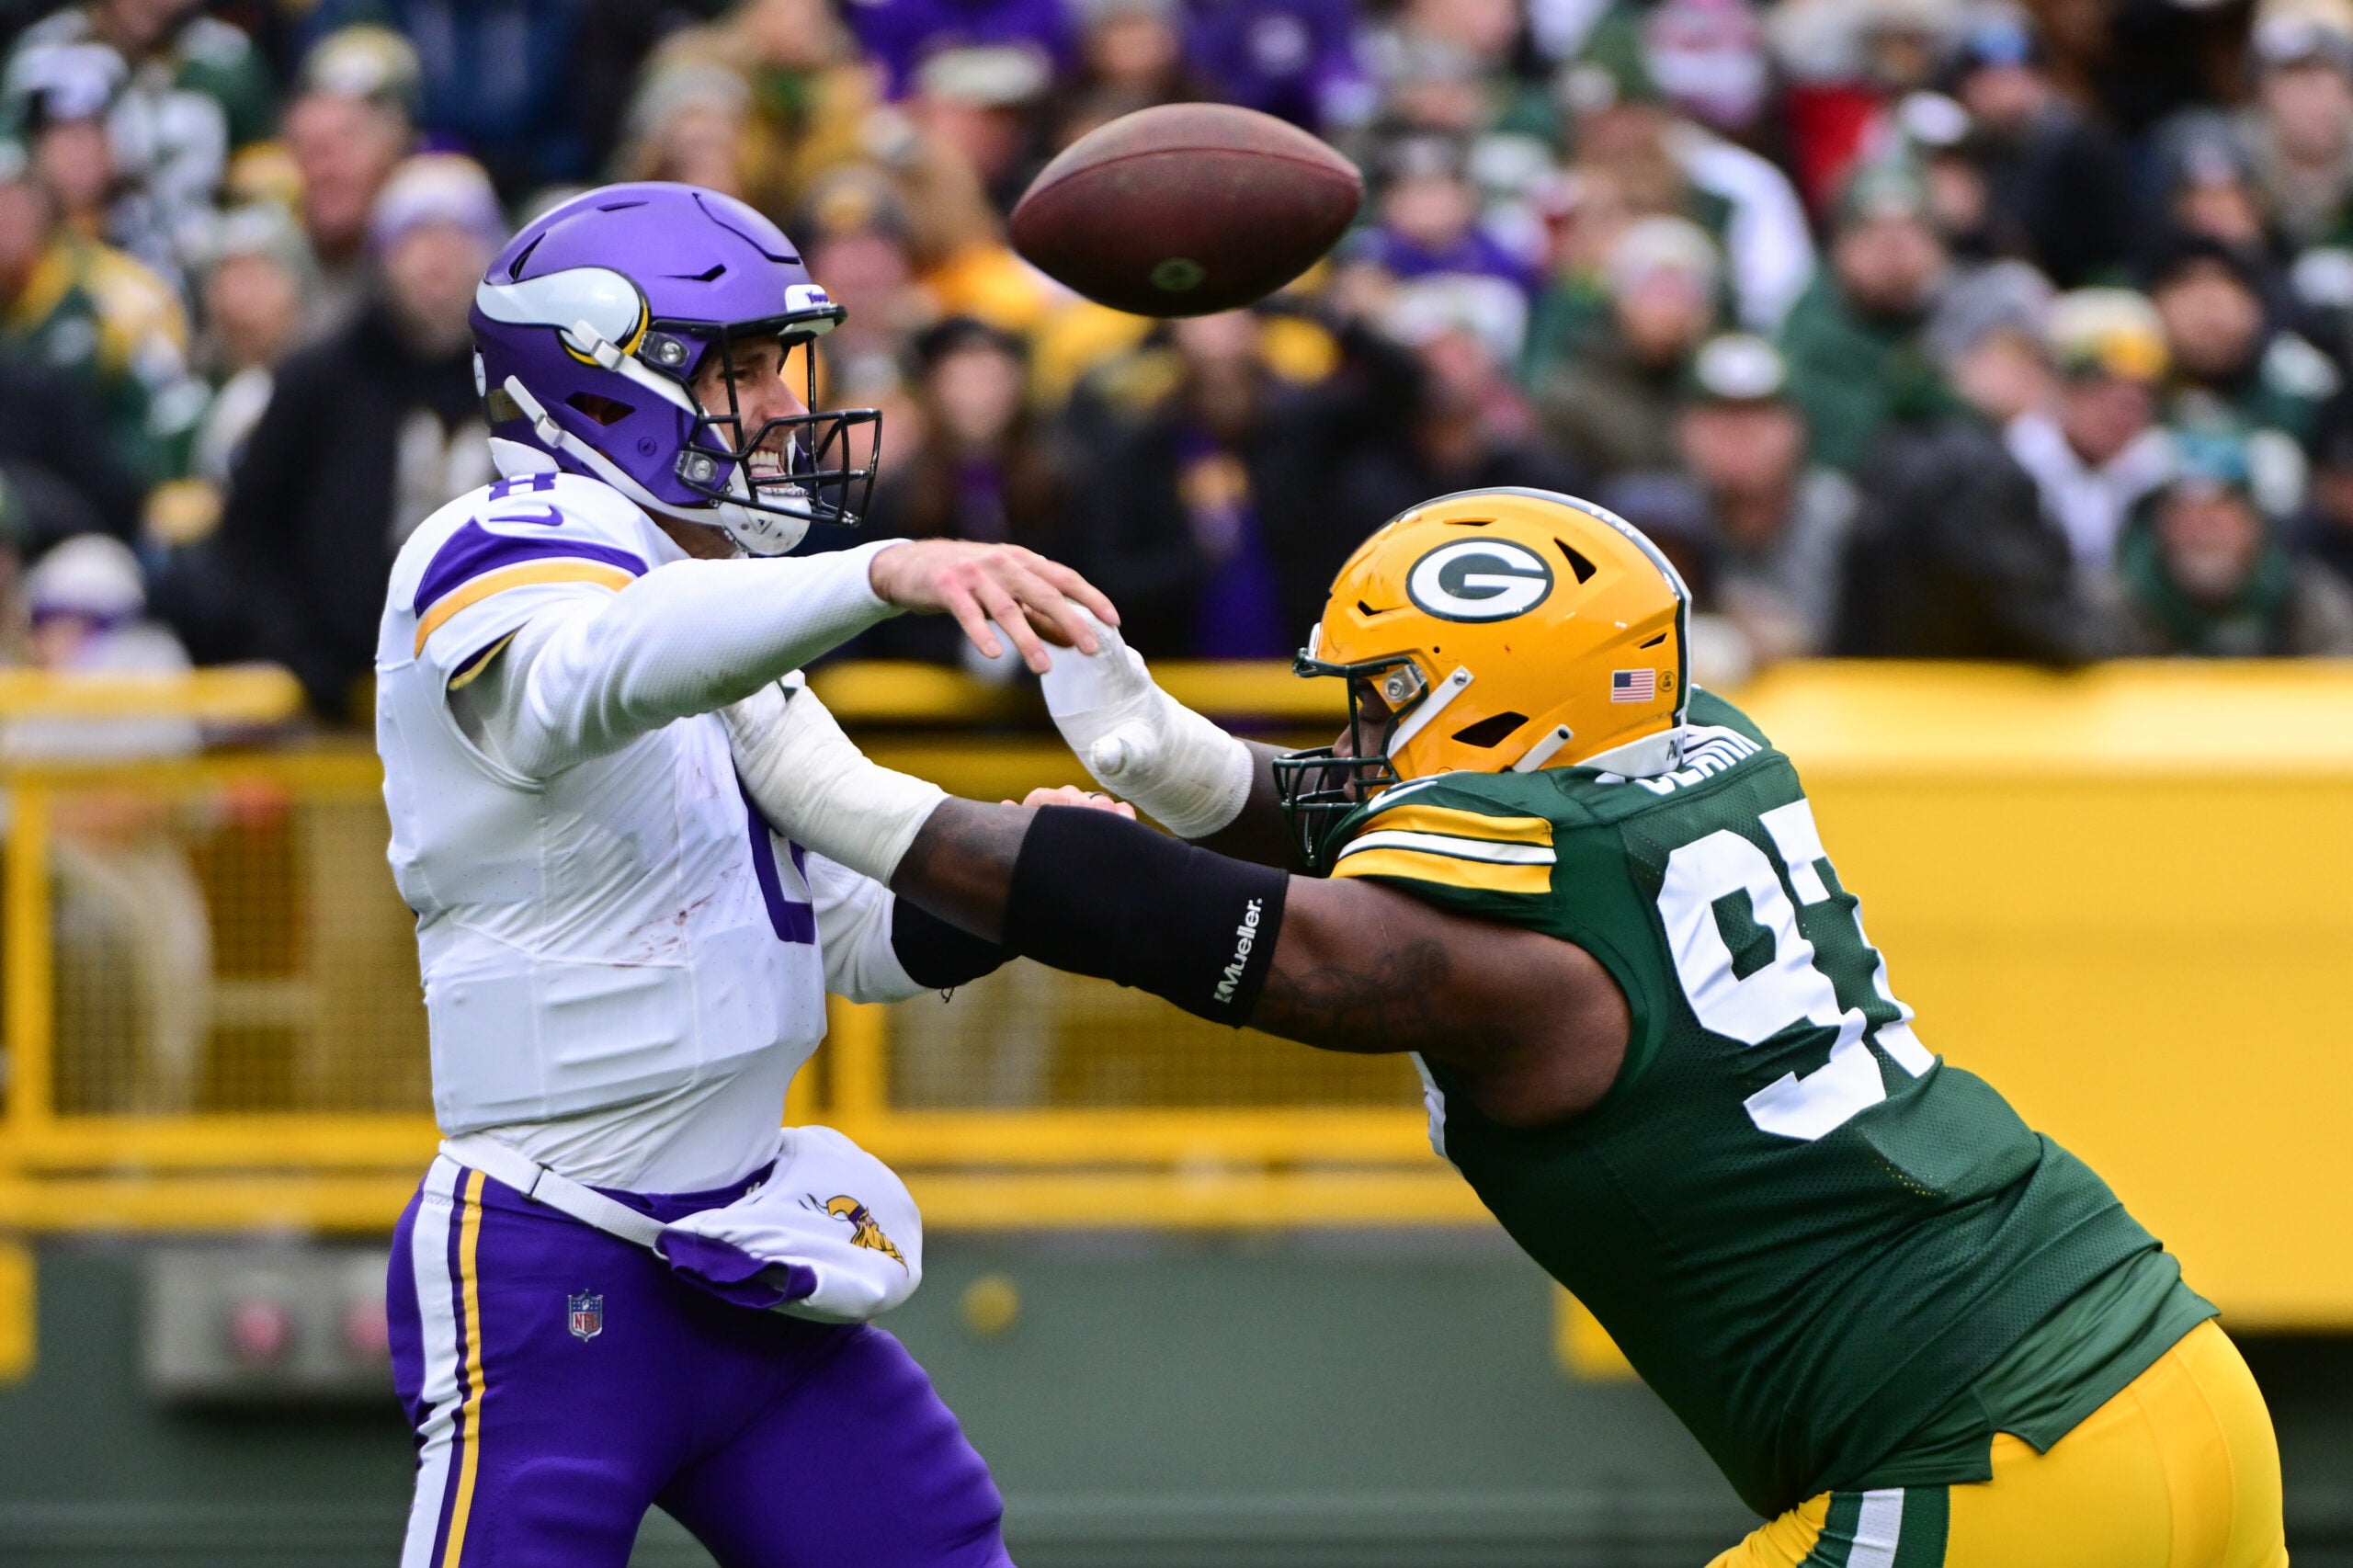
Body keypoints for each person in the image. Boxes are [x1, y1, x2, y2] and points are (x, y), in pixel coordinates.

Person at [722, 486, 2288, 1568]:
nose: (1358, 731)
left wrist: (796, 760)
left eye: (1388, 696)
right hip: (2168, 1368)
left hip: (1996, 1448)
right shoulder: (1700, 746)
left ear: (1498, 708)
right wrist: (1153, 744)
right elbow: (1360, 821)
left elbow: (1171, 920)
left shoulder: (1512, 969)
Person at [380, 181, 1115, 1563]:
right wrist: (882, 570)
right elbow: (583, 677)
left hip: (745, 1248)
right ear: (603, 379)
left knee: (940, 1536)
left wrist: (1031, 878)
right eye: (737, 366)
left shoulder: (709, 609)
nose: (782, 405)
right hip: (556, 1252)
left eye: (781, 363)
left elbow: (851, 934)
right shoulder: (501, 544)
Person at [217, 153, 506, 721]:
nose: (437, 260)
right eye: (417, 237)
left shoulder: (524, 386)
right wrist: (299, 651)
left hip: (490, 686)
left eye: (457, 237)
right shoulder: (318, 379)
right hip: (332, 690)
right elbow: (249, 532)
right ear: (382, 255)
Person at [2110, 424, 2353, 656]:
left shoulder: (2306, 600)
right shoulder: (2120, 602)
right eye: (2185, 515)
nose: (2202, 533)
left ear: (2255, 524)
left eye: (2218, 514)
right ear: (2159, 524)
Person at [2001, 288, 2174, 580]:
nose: (2122, 412)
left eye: (2141, 395)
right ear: (2059, 386)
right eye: (2102, 386)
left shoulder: (2159, 473)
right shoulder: (2010, 463)